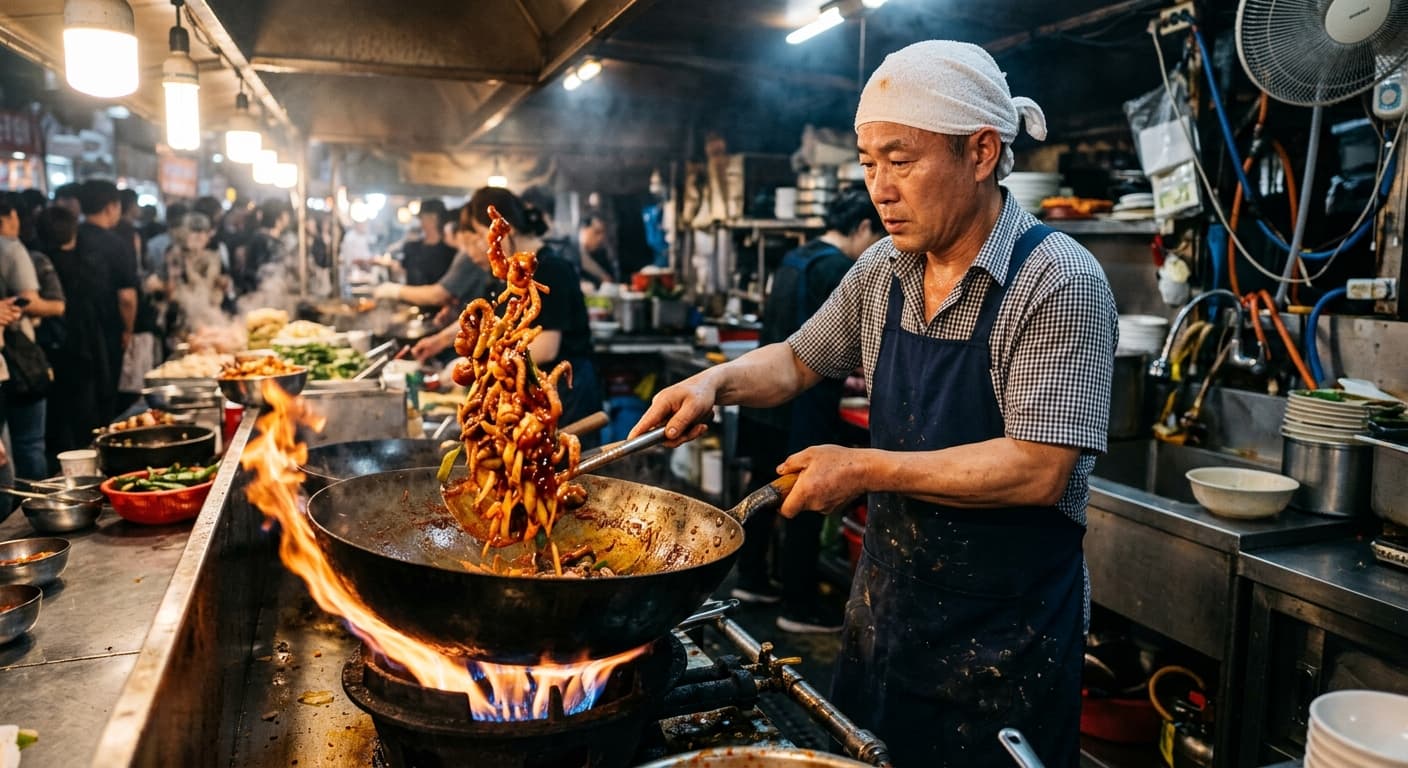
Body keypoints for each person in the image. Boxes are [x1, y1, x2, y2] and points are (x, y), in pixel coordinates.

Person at [629, 41, 1118, 767]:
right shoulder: (883, 269)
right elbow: (798, 360)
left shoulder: (1058, 280)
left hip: (1002, 645)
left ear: (981, 152)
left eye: (901, 159)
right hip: (885, 620)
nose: (878, 188)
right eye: (868, 162)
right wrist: (716, 384)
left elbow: (1037, 467)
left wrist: (860, 469)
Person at [733, 188, 884, 634]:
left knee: (763, 488)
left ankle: (753, 580)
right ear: (861, 227)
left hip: (768, 397)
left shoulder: (797, 257)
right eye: (876, 235)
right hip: (804, 404)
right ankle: (798, 605)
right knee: (804, 498)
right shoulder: (839, 267)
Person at [411, 188, 602, 445]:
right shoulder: (512, 275)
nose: (480, 246)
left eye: (481, 236)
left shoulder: (550, 269)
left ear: (503, 229)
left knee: (566, 478)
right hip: (534, 393)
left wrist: (486, 364)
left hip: (564, 393)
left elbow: (545, 347)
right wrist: (441, 340)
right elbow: (489, 319)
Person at [41, 204, 116, 457]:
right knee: (86, 414)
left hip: (52, 350)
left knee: (58, 418)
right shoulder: (87, 263)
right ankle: (90, 461)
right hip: (86, 346)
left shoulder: (40, 262)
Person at [0, 195, 66, 480]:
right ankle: (26, 511)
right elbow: (31, 300)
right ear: (10, 216)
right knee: (26, 444)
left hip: (6, 361)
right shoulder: (11, 249)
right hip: (18, 357)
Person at [75, 180, 138, 420]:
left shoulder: (73, 237)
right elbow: (127, 297)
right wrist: (128, 329)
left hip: (75, 330)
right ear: (112, 206)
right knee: (107, 391)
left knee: (82, 396)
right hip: (108, 327)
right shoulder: (116, 244)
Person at [400, 199, 457, 291]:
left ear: (434, 218)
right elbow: (404, 272)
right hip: (411, 303)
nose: (421, 222)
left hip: (440, 303)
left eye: (422, 217)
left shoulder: (450, 251)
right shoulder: (411, 247)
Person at [576, 214, 615, 287]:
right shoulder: (572, 256)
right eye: (597, 232)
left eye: (603, 232)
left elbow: (611, 279)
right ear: (584, 231)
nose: (601, 238)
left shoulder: (601, 254)